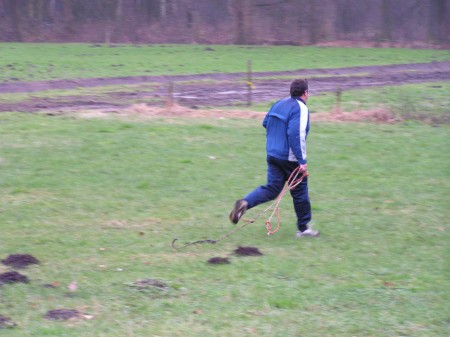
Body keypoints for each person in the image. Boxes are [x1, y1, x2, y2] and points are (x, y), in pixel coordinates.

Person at [229, 79, 319, 237]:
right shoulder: (301, 108)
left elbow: (266, 122)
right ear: (305, 93)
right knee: (299, 191)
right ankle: (304, 228)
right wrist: (302, 161)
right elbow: (295, 134)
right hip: (289, 157)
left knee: (272, 188)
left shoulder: (278, 103)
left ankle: (245, 203)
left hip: (272, 154)